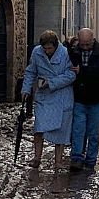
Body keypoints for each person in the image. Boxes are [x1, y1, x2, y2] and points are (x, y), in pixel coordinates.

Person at [22, 30, 76, 172]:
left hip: (62, 95)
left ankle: (58, 161)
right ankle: (37, 157)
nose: (47, 51)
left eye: (49, 48)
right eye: (44, 48)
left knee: (61, 129)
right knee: (39, 127)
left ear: (56, 45)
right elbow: (30, 71)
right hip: (44, 96)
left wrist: (51, 82)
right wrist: (26, 89)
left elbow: (71, 74)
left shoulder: (65, 54)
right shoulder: (37, 52)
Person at [68, 28, 99, 173]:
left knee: (93, 132)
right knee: (78, 130)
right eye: (82, 44)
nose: (85, 47)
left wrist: (82, 72)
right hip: (79, 98)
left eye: (87, 44)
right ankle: (76, 158)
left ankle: (90, 161)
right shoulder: (74, 52)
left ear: (93, 39)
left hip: (97, 99)